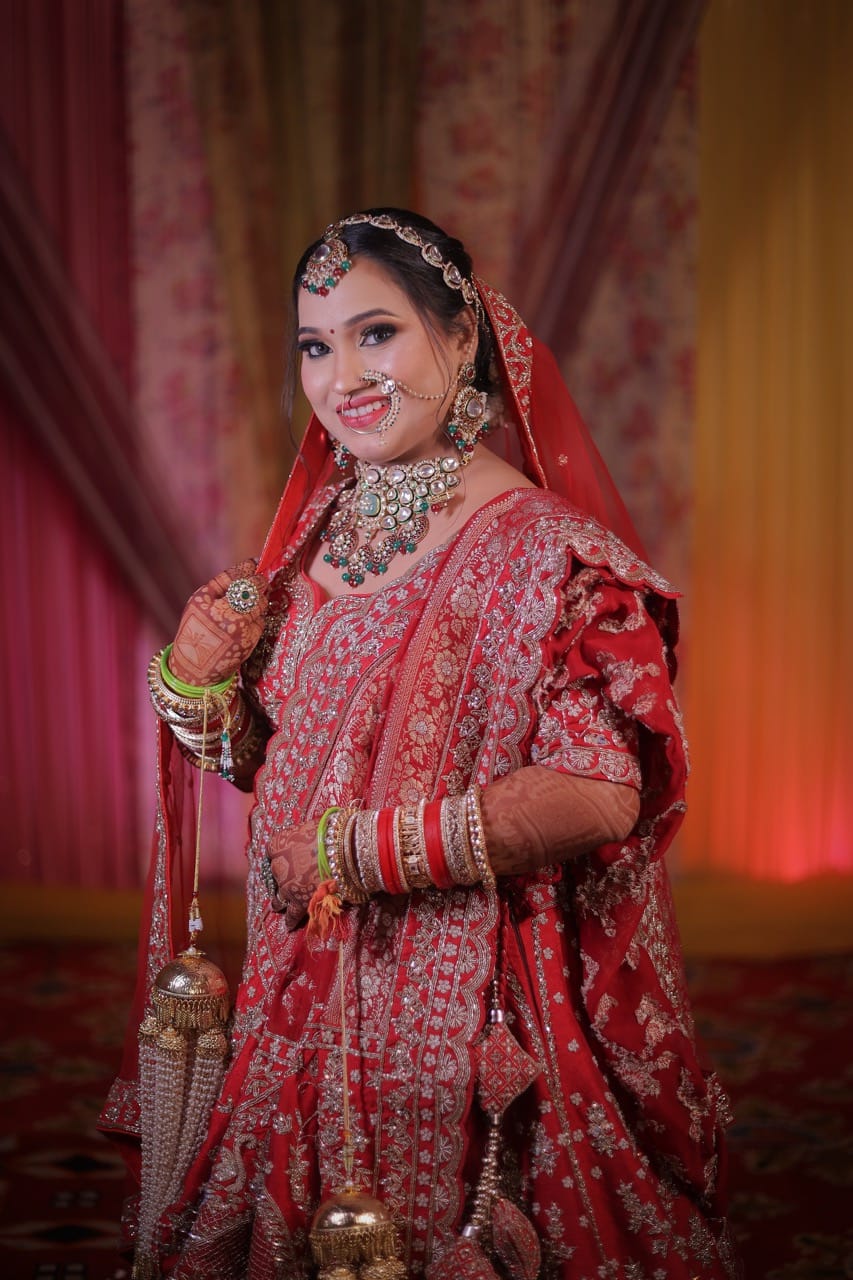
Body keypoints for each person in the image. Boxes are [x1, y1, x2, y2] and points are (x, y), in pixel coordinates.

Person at [100, 209, 739, 1279]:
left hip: (475, 1018)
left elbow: (599, 790)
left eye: (375, 333)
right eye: (315, 343)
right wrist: (199, 676)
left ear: (460, 342)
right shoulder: (319, 531)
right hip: (295, 989)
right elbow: (279, 761)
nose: (341, 372)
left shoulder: (550, 555)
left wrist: (361, 852)